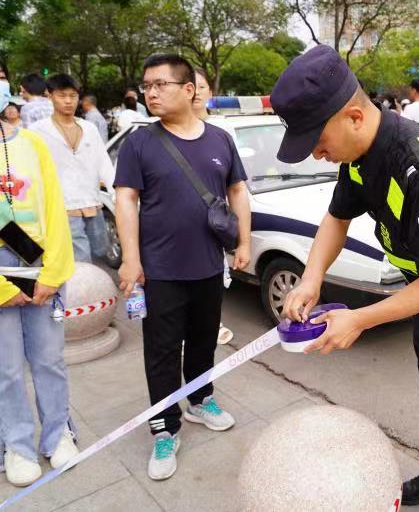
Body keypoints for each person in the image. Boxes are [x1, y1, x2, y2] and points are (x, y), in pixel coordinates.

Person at [272, 44, 419, 512]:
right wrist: (310, 279)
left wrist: (358, 320)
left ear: (354, 117)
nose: (317, 155)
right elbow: (336, 219)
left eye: (317, 142)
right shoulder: (360, 157)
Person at [114, 53, 251, 481]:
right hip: (160, 271)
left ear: (188, 90)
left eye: (160, 84)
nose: (150, 92)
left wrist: (244, 241)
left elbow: (238, 190)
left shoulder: (219, 140)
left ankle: (200, 399)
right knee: (160, 352)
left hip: (209, 266)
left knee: (204, 340)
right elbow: (125, 200)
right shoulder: (139, 142)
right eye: (147, 85)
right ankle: (164, 427)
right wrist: (132, 258)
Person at [0, 84, 79, 487]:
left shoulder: (32, 144)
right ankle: (16, 445)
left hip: (37, 257)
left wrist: (52, 273)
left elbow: (55, 210)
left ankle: (58, 433)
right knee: (6, 368)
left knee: (49, 359)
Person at [30, 74, 115, 263]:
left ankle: (85, 290)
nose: (68, 101)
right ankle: (79, 291)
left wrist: (115, 191)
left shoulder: (89, 128)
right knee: (80, 258)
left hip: (92, 202)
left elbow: (103, 161)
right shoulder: (37, 131)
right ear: (49, 95)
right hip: (62, 205)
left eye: (73, 95)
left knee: (99, 251)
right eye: (62, 95)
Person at [191, 66, 236, 346]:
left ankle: (211, 323)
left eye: (202, 87)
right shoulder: (160, 133)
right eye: (191, 87)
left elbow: (237, 181)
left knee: (214, 274)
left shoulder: (223, 130)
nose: (196, 93)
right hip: (182, 224)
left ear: (211, 91)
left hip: (216, 219)